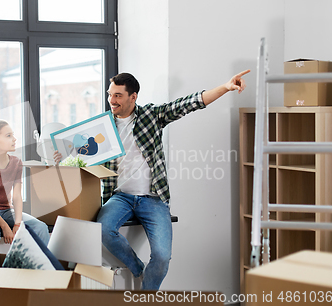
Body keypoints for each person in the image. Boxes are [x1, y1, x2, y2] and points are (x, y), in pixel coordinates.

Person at [55, 70, 250, 290]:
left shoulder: (151, 116)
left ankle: (146, 298)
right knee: (103, 228)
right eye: (110, 94)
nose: (112, 100)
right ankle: (139, 269)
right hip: (120, 197)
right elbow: (79, 155)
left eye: (118, 95)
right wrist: (63, 155)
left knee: (162, 256)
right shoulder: (103, 127)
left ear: (133, 97)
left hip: (153, 198)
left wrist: (225, 87)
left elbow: (189, 103)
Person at [0, 120, 50, 249]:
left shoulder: (16, 162)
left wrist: (17, 224)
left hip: (7, 210)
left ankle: (42, 268)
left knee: (41, 227)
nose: (14, 139)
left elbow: (17, 196)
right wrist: (4, 226)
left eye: (12, 135)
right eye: (8, 136)